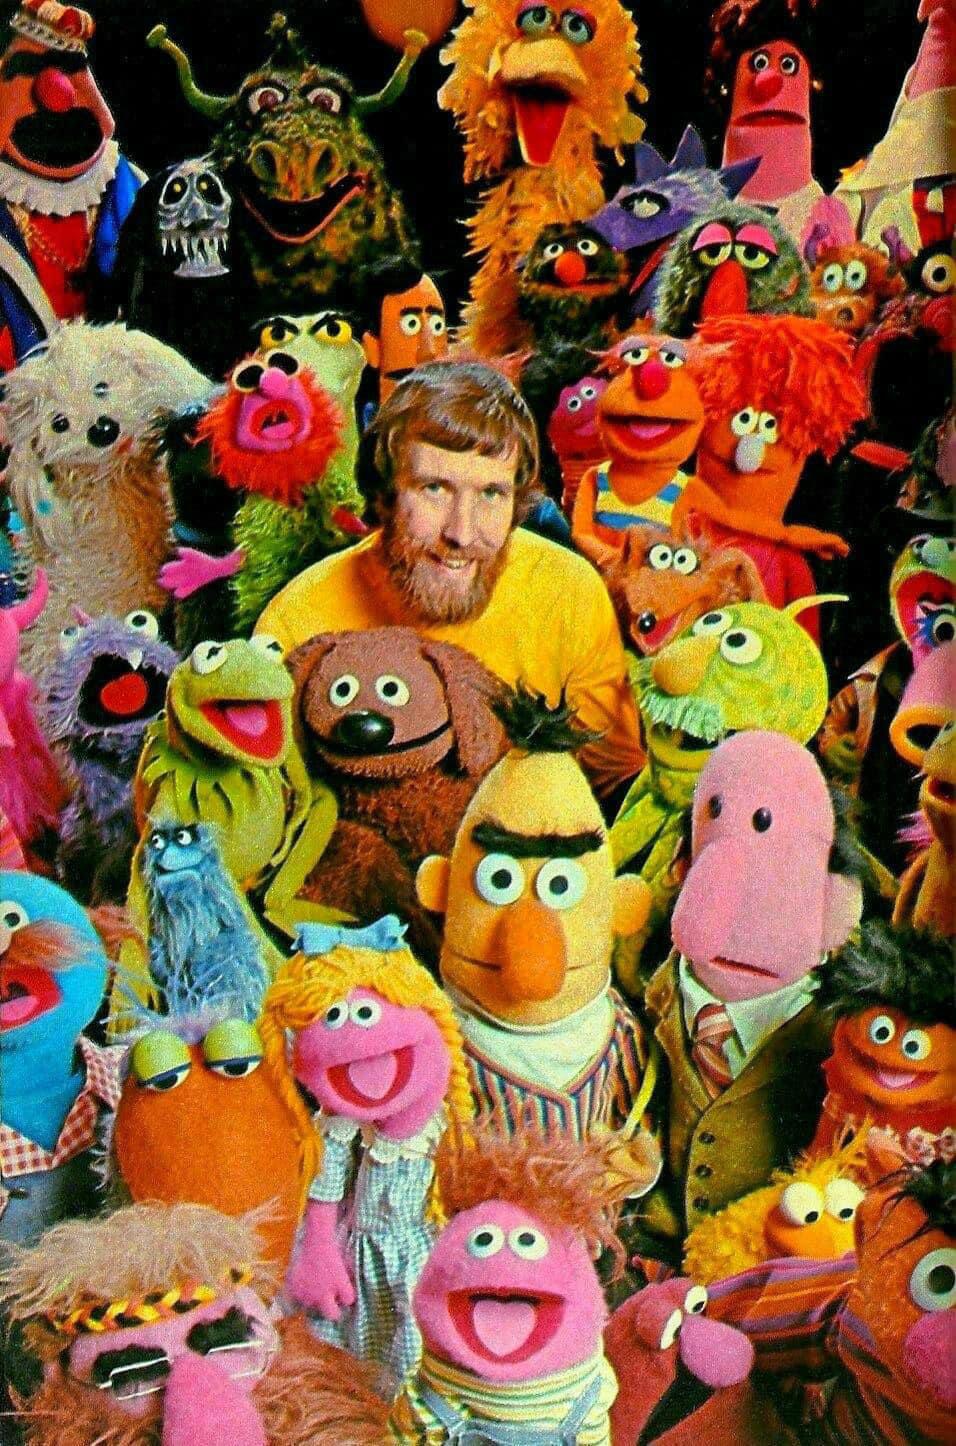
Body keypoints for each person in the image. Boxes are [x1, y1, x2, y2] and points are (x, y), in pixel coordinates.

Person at [257, 361, 642, 797]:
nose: (461, 533)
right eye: (434, 489)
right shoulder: (299, 615)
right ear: (384, 493)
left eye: (491, 494)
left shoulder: (568, 589)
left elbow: (612, 782)